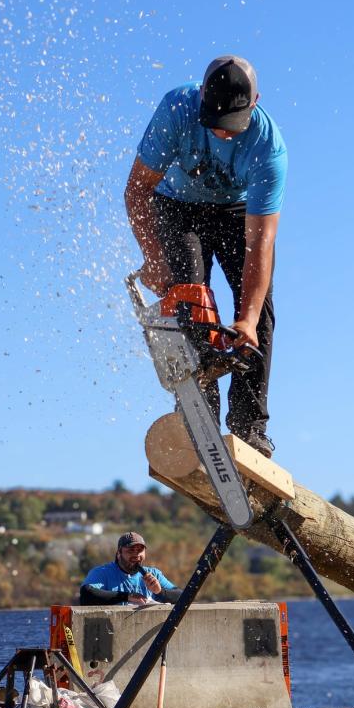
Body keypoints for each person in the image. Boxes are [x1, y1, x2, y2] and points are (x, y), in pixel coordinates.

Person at [124, 54, 288, 458]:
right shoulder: (176, 110)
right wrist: (154, 257)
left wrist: (246, 320)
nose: (221, 132)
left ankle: (249, 427)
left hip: (237, 212)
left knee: (259, 311)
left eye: (231, 125)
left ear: (254, 103)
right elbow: (137, 190)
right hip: (178, 206)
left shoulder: (269, 149)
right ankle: (198, 415)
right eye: (214, 122)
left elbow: (261, 244)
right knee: (190, 298)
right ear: (201, 96)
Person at [80, 532, 181, 606]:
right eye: (131, 550)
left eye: (140, 550)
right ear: (119, 553)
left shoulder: (154, 574)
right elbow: (86, 594)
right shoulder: (103, 572)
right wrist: (127, 596)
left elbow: (182, 596)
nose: (136, 555)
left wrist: (159, 591)